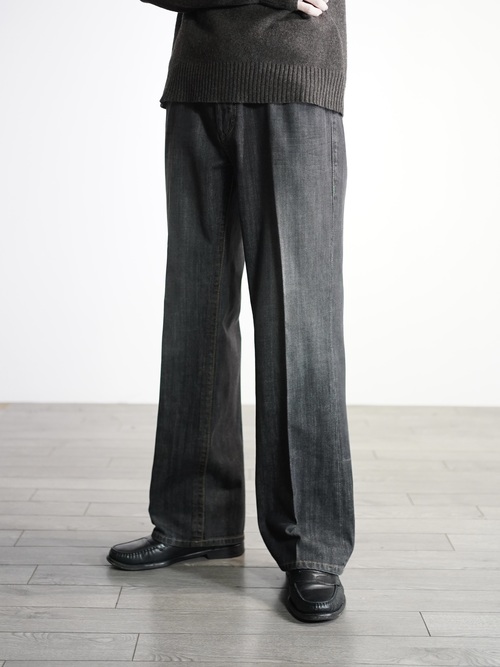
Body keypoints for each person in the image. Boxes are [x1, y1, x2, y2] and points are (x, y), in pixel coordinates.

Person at [107, 0, 355, 623]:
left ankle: (311, 544)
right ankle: (195, 519)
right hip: (198, 84)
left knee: (299, 321)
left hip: (292, 80)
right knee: (194, 312)